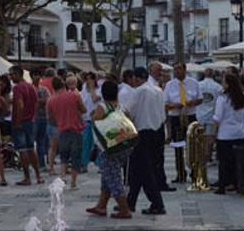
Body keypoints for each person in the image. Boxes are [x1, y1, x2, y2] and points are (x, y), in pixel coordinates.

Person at [86, 81, 134, 219]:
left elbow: (94, 121)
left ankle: (124, 209)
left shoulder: (102, 107)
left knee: (113, 178)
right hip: (122, 146)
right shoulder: (121, 107)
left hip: (108, 148)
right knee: (107, 177)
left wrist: (93, 115)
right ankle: (101, 206)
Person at [124, 67, 167, 215]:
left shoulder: (140, 91)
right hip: (157, 132)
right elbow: (163, 114)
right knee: (138, 170)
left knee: (144, 171)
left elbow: (128, 111)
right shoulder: (158, 90)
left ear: (136, 78)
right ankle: (130, 202)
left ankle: (157, 203)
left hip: (142, 133)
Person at [213, 73, 244, 195]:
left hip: (225, 134)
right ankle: (237, 184)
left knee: (223, 162)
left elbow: (217, 118)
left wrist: (215, 134)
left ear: (228, 84)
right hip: (239, 133)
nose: (222, 84)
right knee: (237, 161)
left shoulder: (223, 98)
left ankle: (222, 186)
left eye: (223, 82)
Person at [164, 62, 202, 183]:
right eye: (175, 70)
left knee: (193, 146)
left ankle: (195, 173)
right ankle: (180, 174)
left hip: (190, 115)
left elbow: (200, 99)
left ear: (185, 70)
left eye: (179, 69)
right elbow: (165, 105)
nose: (177, 72)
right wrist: (174, 105)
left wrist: (192, 102)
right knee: (178, 147)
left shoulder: (193, 83)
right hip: (176, 117)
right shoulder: (169, 85)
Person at [46, 76, 86, 190]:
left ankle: (63, 176)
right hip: (75, 129)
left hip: (61, 130)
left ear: (53, 87)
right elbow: (84, 110)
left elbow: (50, 118)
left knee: (63, 155)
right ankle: (73, 182)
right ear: (64, 85)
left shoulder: (51, 100)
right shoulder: (74, 95)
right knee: (75, 157)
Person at [9, 65, 44, 185]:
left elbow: (20, 105)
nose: (11, 77)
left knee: (22, 149)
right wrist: (33, 116)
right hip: (31, 120)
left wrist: (17, 122)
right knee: (30, 148)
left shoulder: (18, 88)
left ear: (19, 74)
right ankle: (38, 176)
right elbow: (36, 103)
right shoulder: (31, 87)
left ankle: (27, 177)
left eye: (12, 74)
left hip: (21, 121)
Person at [197, 68, 223, 163]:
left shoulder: (198, 85)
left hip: (199, 115)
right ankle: (207, 157)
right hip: (212, 115)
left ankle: (200, 156)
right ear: (213, 75)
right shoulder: (218, 87)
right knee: (210, 138)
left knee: (199, 138)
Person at [80, 72, 101, 172]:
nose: (88, 81)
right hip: (86, 119)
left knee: (98, 143)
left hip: (97, 119)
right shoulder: (84, 88)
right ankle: (84, 164)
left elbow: (94, 99)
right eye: (87, 79)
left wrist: (92, 88)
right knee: (85, 143)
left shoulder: (99, 89)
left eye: (91, 79)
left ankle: (100, 164)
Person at [32, 68, 51, 170]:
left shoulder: (44, 89)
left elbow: (48, 100)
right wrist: (40, 101)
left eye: (38, 75)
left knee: (42, 141)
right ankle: (33, 163)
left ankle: (42, 163)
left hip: (43, 117)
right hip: (33, 118)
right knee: (32, 141)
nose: (37, 77)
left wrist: (37, 101)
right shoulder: (30, 88)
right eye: (35, 75)